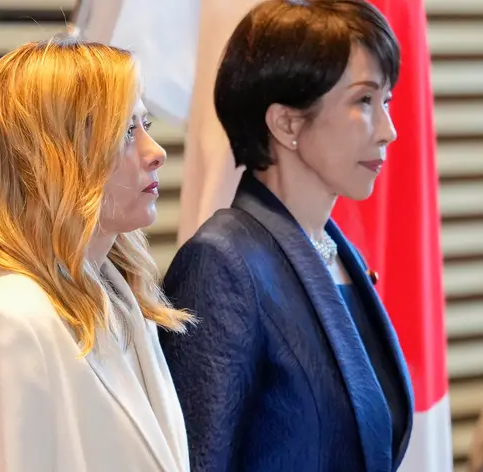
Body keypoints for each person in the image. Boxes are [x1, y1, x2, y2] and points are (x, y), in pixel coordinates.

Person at [159, 1, 414, 471]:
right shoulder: (221, 264)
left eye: (387, 102)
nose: (389, 131)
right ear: (287, 123)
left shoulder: (340, 254)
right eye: (363, 100)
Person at [0, 34, 193, 472]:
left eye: (146, 126)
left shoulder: (119, 297)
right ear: (53, 159)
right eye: (126, 132)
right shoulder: (4, 320)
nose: (156, 152)